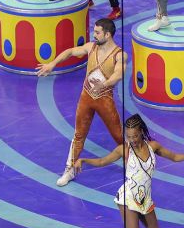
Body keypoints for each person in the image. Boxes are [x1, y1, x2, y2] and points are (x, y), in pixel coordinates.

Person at [40, 18, 125, 186]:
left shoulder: (120, 54)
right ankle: (69, 169)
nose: (94, 35)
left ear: (107, 35)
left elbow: (119, 74)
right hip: (85, 98)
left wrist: (104, 84)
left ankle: (136, 161)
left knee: (118, 136)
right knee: (78, 135)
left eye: (97, 32)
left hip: (105, 100)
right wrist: (52, 64)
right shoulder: (90, 47)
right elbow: (71, 51)